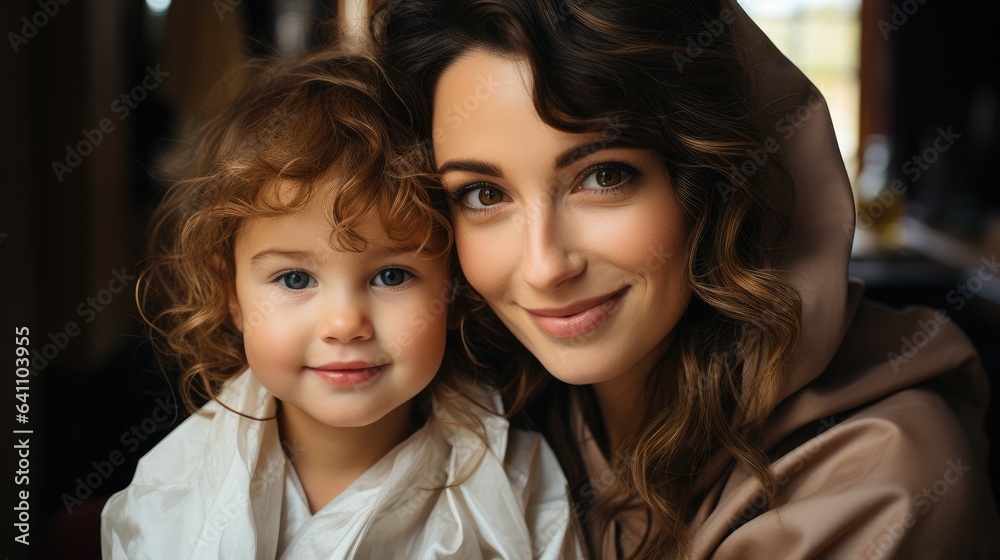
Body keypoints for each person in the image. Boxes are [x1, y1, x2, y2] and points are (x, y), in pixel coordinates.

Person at [368, 0, 1000, 557]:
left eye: (605, 177)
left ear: (716, 182)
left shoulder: (882, 483)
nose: (543, 266)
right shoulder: (497, 408)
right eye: (482, 193)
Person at [100, 51, 582, 559]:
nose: (344, 324)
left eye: (391, 276)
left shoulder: (520, 488)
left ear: (454, 290)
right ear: (231, 296)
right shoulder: (168, 494)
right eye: (294, 278)